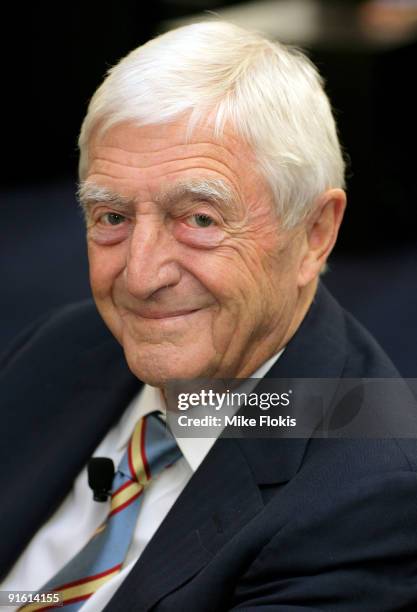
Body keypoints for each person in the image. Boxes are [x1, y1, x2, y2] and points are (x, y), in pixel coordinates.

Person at [1, 20, 416, 612]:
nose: (141, 278)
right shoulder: (61, 346)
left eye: (199, 219)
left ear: (315, 233)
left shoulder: (376, 501)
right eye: (112, 217)